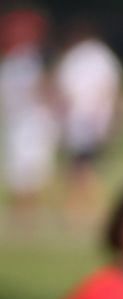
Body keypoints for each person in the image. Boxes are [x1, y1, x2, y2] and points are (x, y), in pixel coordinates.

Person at [52, 22, 120, 223]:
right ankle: (74, 210)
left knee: (81, 168)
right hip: (91, 120)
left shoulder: (81, 58)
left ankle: (90, 210)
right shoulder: (103, 57)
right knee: (79, 168)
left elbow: (66, 88)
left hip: (84, 120)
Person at [0, 7, 57, 228]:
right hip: (21, 123)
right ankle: (23, 216)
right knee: (22, 170)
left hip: (30, 123)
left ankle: (26, 216)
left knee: (30, 170)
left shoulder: (26, 59)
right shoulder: (17, 60)